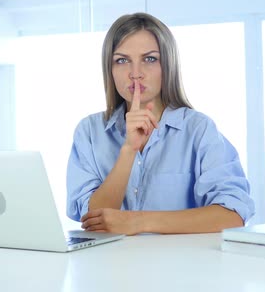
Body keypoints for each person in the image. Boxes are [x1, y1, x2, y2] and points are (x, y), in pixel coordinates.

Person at [66, 12, 255, 235]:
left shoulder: (198, 130)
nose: (135, 74)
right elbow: (94, 220)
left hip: (180, 267)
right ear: (110, 70)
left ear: (168, 65)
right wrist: (129, 150)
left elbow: (232, 214)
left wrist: (138, 222)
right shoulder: (89, 132)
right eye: (122, 60)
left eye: (150, 59)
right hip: (110, 266)